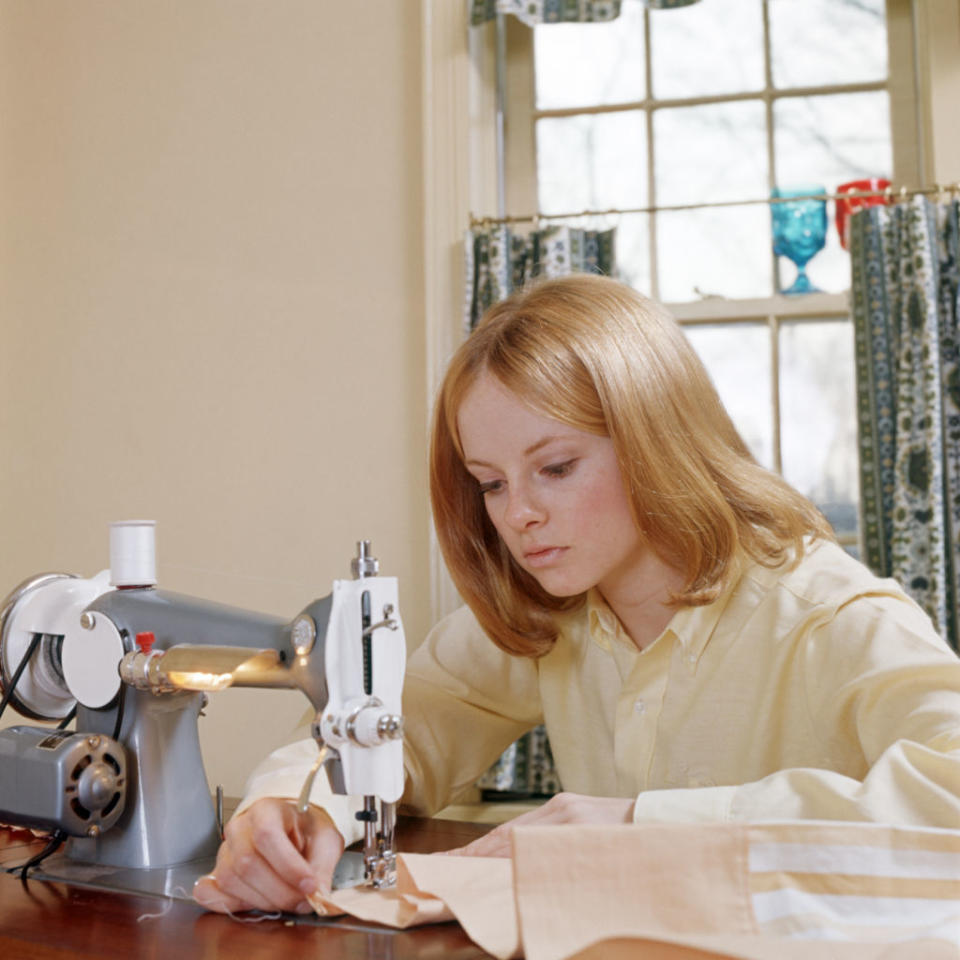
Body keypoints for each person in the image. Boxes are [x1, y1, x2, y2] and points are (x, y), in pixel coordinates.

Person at [194, 274, 960, 915]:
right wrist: (291, 811)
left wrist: (640, 823)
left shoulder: (827, 614)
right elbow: (390, 727)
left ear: (658, 437)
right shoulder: (549, 613)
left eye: (556, 467)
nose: (517, 515)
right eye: (491, 483)